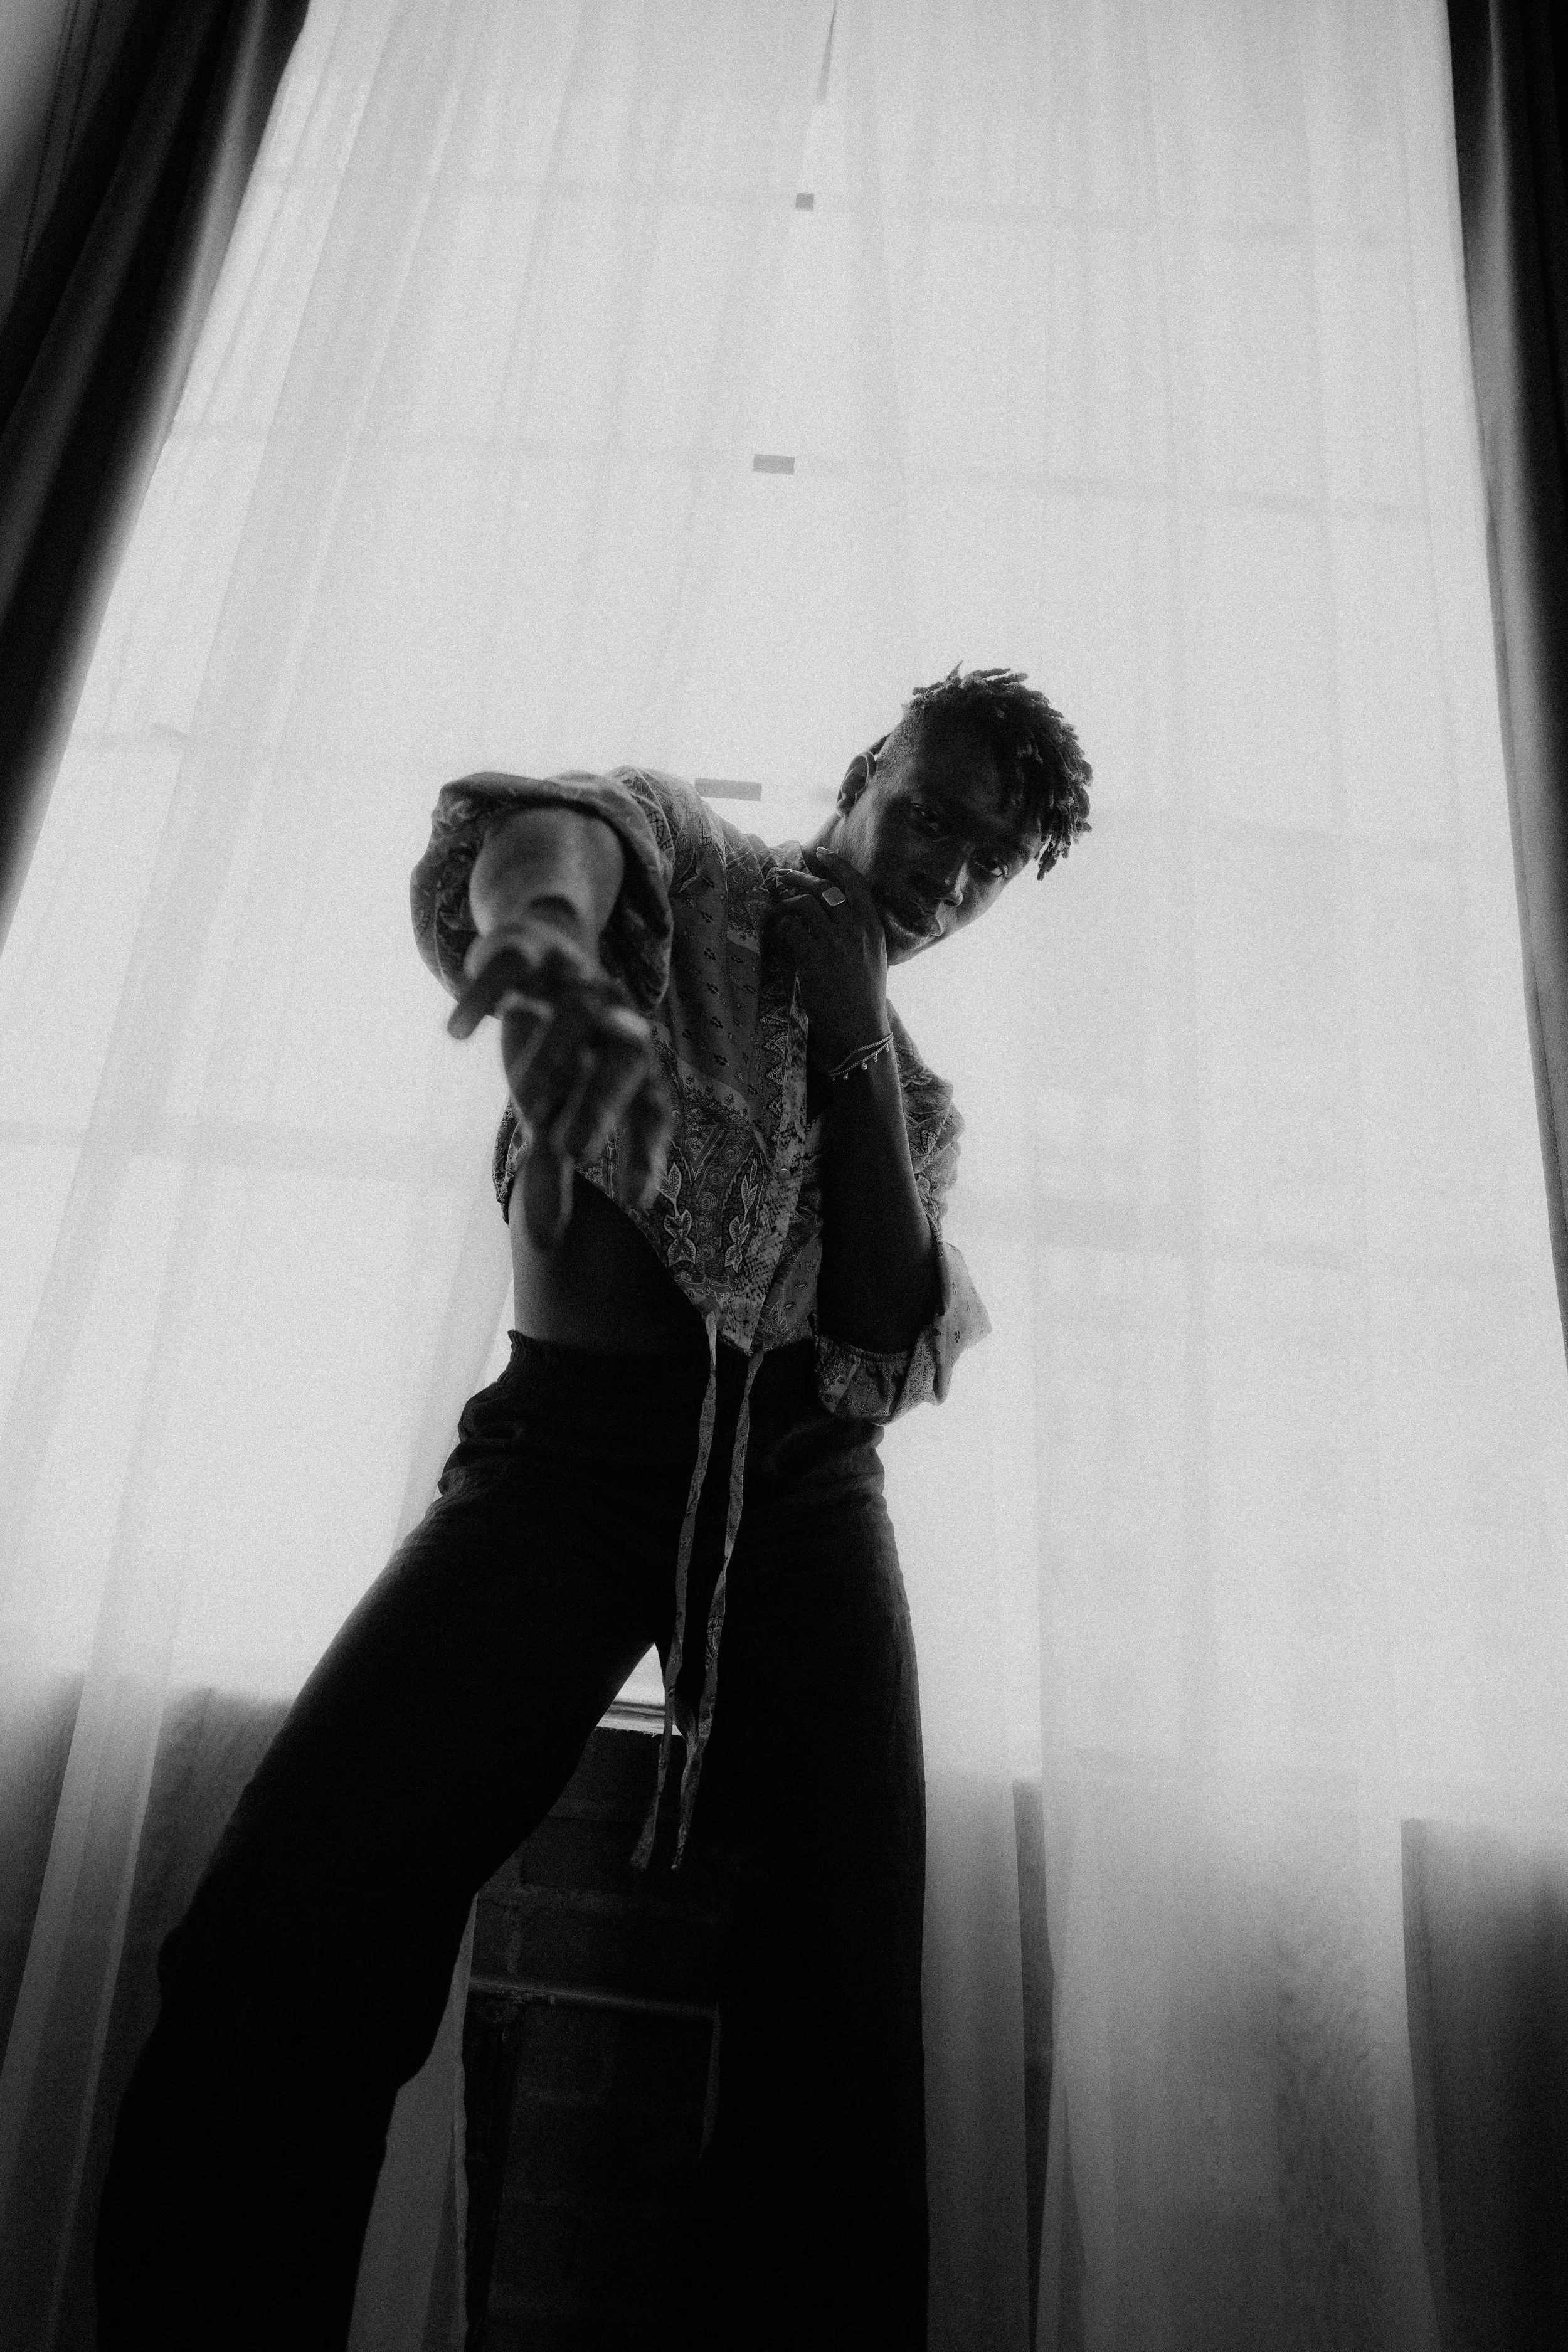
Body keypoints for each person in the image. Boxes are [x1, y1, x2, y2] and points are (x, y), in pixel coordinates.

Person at [95, 665, 1091, 2350]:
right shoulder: (691, 863)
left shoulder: (913, 1099)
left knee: (838, 2015)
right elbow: (539, 840)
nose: (943, 866)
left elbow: (872, 1323)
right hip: (567, 1455)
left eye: (985, 859)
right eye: (927, 809)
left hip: (797, 1487)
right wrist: (546, 951)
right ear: (859, 769)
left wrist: (848, 1025)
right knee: (297, 1915)